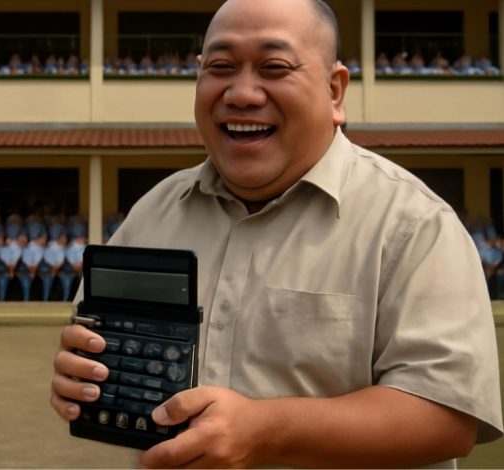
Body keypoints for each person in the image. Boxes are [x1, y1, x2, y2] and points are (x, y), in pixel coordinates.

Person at [50, 0, 503, 468]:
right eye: (221, 67)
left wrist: (267, 430)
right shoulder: (154, 212)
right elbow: (96, 340)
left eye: (275, 67)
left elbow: (447, 418)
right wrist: (83, 369)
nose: (242, 94)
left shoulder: (413, 225)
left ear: (334, 91)